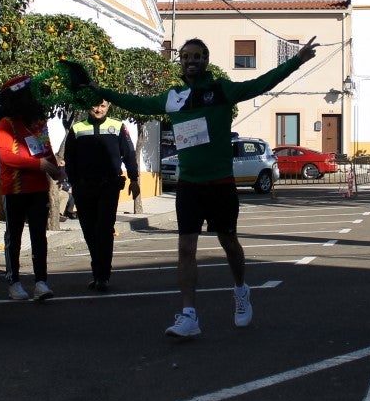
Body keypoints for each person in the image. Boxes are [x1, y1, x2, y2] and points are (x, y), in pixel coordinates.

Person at [90, 36, 319, 339]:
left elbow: (261, 83)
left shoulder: (221, 90)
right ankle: (189, 315)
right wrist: (99, 91)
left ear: (207, 60)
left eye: (198, 56)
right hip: (189, 185)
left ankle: (240, 289)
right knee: (186, 248)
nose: (192, 61)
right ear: (181, 62)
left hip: (221, 183)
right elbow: (137, 103)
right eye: (186, 56)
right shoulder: (173, 96)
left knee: (229, 243)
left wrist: (296, 61)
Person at [0, 75, 64, 302]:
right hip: (14, 189)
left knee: (38, 236)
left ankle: (41, 282)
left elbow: (47, 150)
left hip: (38, 189)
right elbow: (6, 157)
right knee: (13, 236)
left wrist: (55, 169)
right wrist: (40, 165)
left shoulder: (39, 124)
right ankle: (14, 282)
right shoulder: (6, 124)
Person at [63, 96, 140, 293]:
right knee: (89, 230)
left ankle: (102, 275)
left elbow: (129, 154)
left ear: (109, 106)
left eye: (103, 105)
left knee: (105, 230)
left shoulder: (118, 126)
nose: (98, 109)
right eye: (95, 105)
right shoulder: (77, 128)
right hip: (84, 187)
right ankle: (97, 271)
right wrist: (73, 182)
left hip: (109, 186)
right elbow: (69, 158)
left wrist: (134, 179)